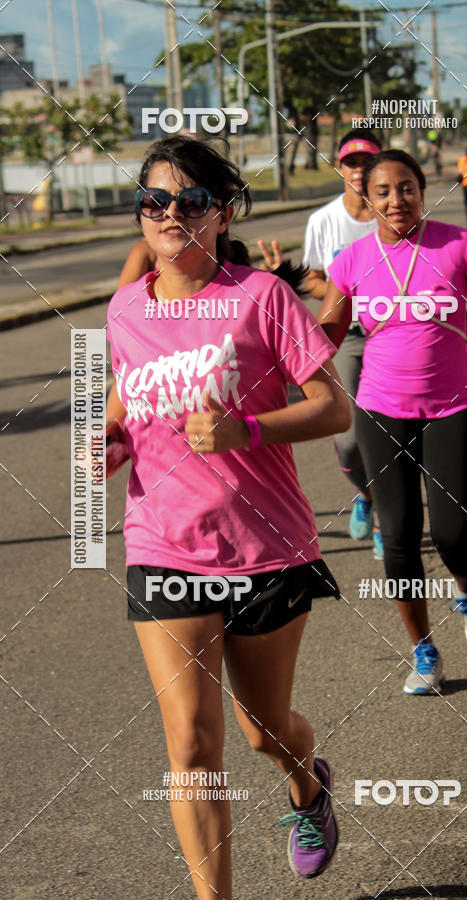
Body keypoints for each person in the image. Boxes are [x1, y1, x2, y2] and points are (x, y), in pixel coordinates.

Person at [104, 135, 352, 897]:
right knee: (191, 743)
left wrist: (248, 429)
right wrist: (105, 445)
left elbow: (333, 407)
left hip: (266, 548)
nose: (171, 214)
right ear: (141, 216)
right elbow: (121, 411)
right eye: (155, 201)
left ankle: (306, 785)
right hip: (164, 545)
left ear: (222, 211)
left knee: (262, 730)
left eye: (190, 201)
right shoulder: (123, 309)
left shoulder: (261, 297)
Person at [317, 149, 467, 695]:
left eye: (407, 187)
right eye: (384, 190)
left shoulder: (458, 245)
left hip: (451, 408)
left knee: (454, 531)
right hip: (379, 410)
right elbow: (325, 338)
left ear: (422, 189)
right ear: (366, 199)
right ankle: (424, 653)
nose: (397, 199)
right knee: (399, 537)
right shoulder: (351, 261)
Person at [302, 127, 384, 557]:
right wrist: (344, 292)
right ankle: (367, 495)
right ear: (340, 167)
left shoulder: (392, 213)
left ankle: (388, 519)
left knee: (392, 432)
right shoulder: (324, 221)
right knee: (349, 438)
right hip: (349, 335)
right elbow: (313, 278)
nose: (358, 170)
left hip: (393, 334)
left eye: (366, 161)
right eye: (351, 162)